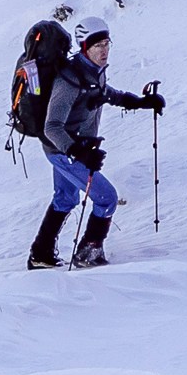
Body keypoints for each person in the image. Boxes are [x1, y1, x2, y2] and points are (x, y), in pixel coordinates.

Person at [34, 27, 160, 268]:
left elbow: (105, 93)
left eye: (106, 44)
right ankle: (87, 255)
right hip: (62, 149)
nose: (104, 51)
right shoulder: (69, 79)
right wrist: (78, 152)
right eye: (97, 46)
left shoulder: (93, 72)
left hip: (71, 148)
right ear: (85, 48)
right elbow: (52, 127)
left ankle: (40, 255)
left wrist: (141, 102)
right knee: (106, 198)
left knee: (65, 198)